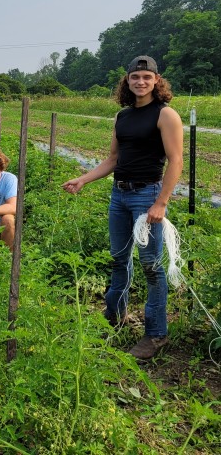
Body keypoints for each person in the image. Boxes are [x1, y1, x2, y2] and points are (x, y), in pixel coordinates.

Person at [62, 55, 183, 360]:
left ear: (157, 81)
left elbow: (176, 161)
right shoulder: (122, 117)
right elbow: (113, 159)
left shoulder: (165, 115)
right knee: (118, 260)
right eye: (134, 77)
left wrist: (161, 203)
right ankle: (114, 316)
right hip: (120, 196)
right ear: (127, 81)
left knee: (151, 267)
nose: (140, 82)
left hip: (148, 196)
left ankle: (156, 334)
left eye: (146, 77)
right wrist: (84, 179)